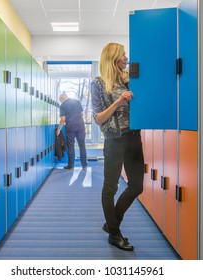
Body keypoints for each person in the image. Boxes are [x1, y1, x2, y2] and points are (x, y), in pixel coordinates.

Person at [91, 43, 144, 251]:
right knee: (110, 188)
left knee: (137, 186)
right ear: (113, 58)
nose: (126, 58)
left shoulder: (128, 79)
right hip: (114, 140)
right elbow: (98, 118)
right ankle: (114, 234)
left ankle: (112, 223)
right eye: (123, 55)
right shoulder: (98, 83)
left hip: (134, 137)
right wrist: (119, 101)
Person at [56, 92, 87, 170]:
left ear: (62, 99)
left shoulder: (63, 105)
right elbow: (81, 114)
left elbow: (63, 119)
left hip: (70, 128)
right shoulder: (77, 102)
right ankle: (84, 166)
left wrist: (59, 129)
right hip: (80, 127)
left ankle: (71, 165)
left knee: (71, 147)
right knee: (82, 146)